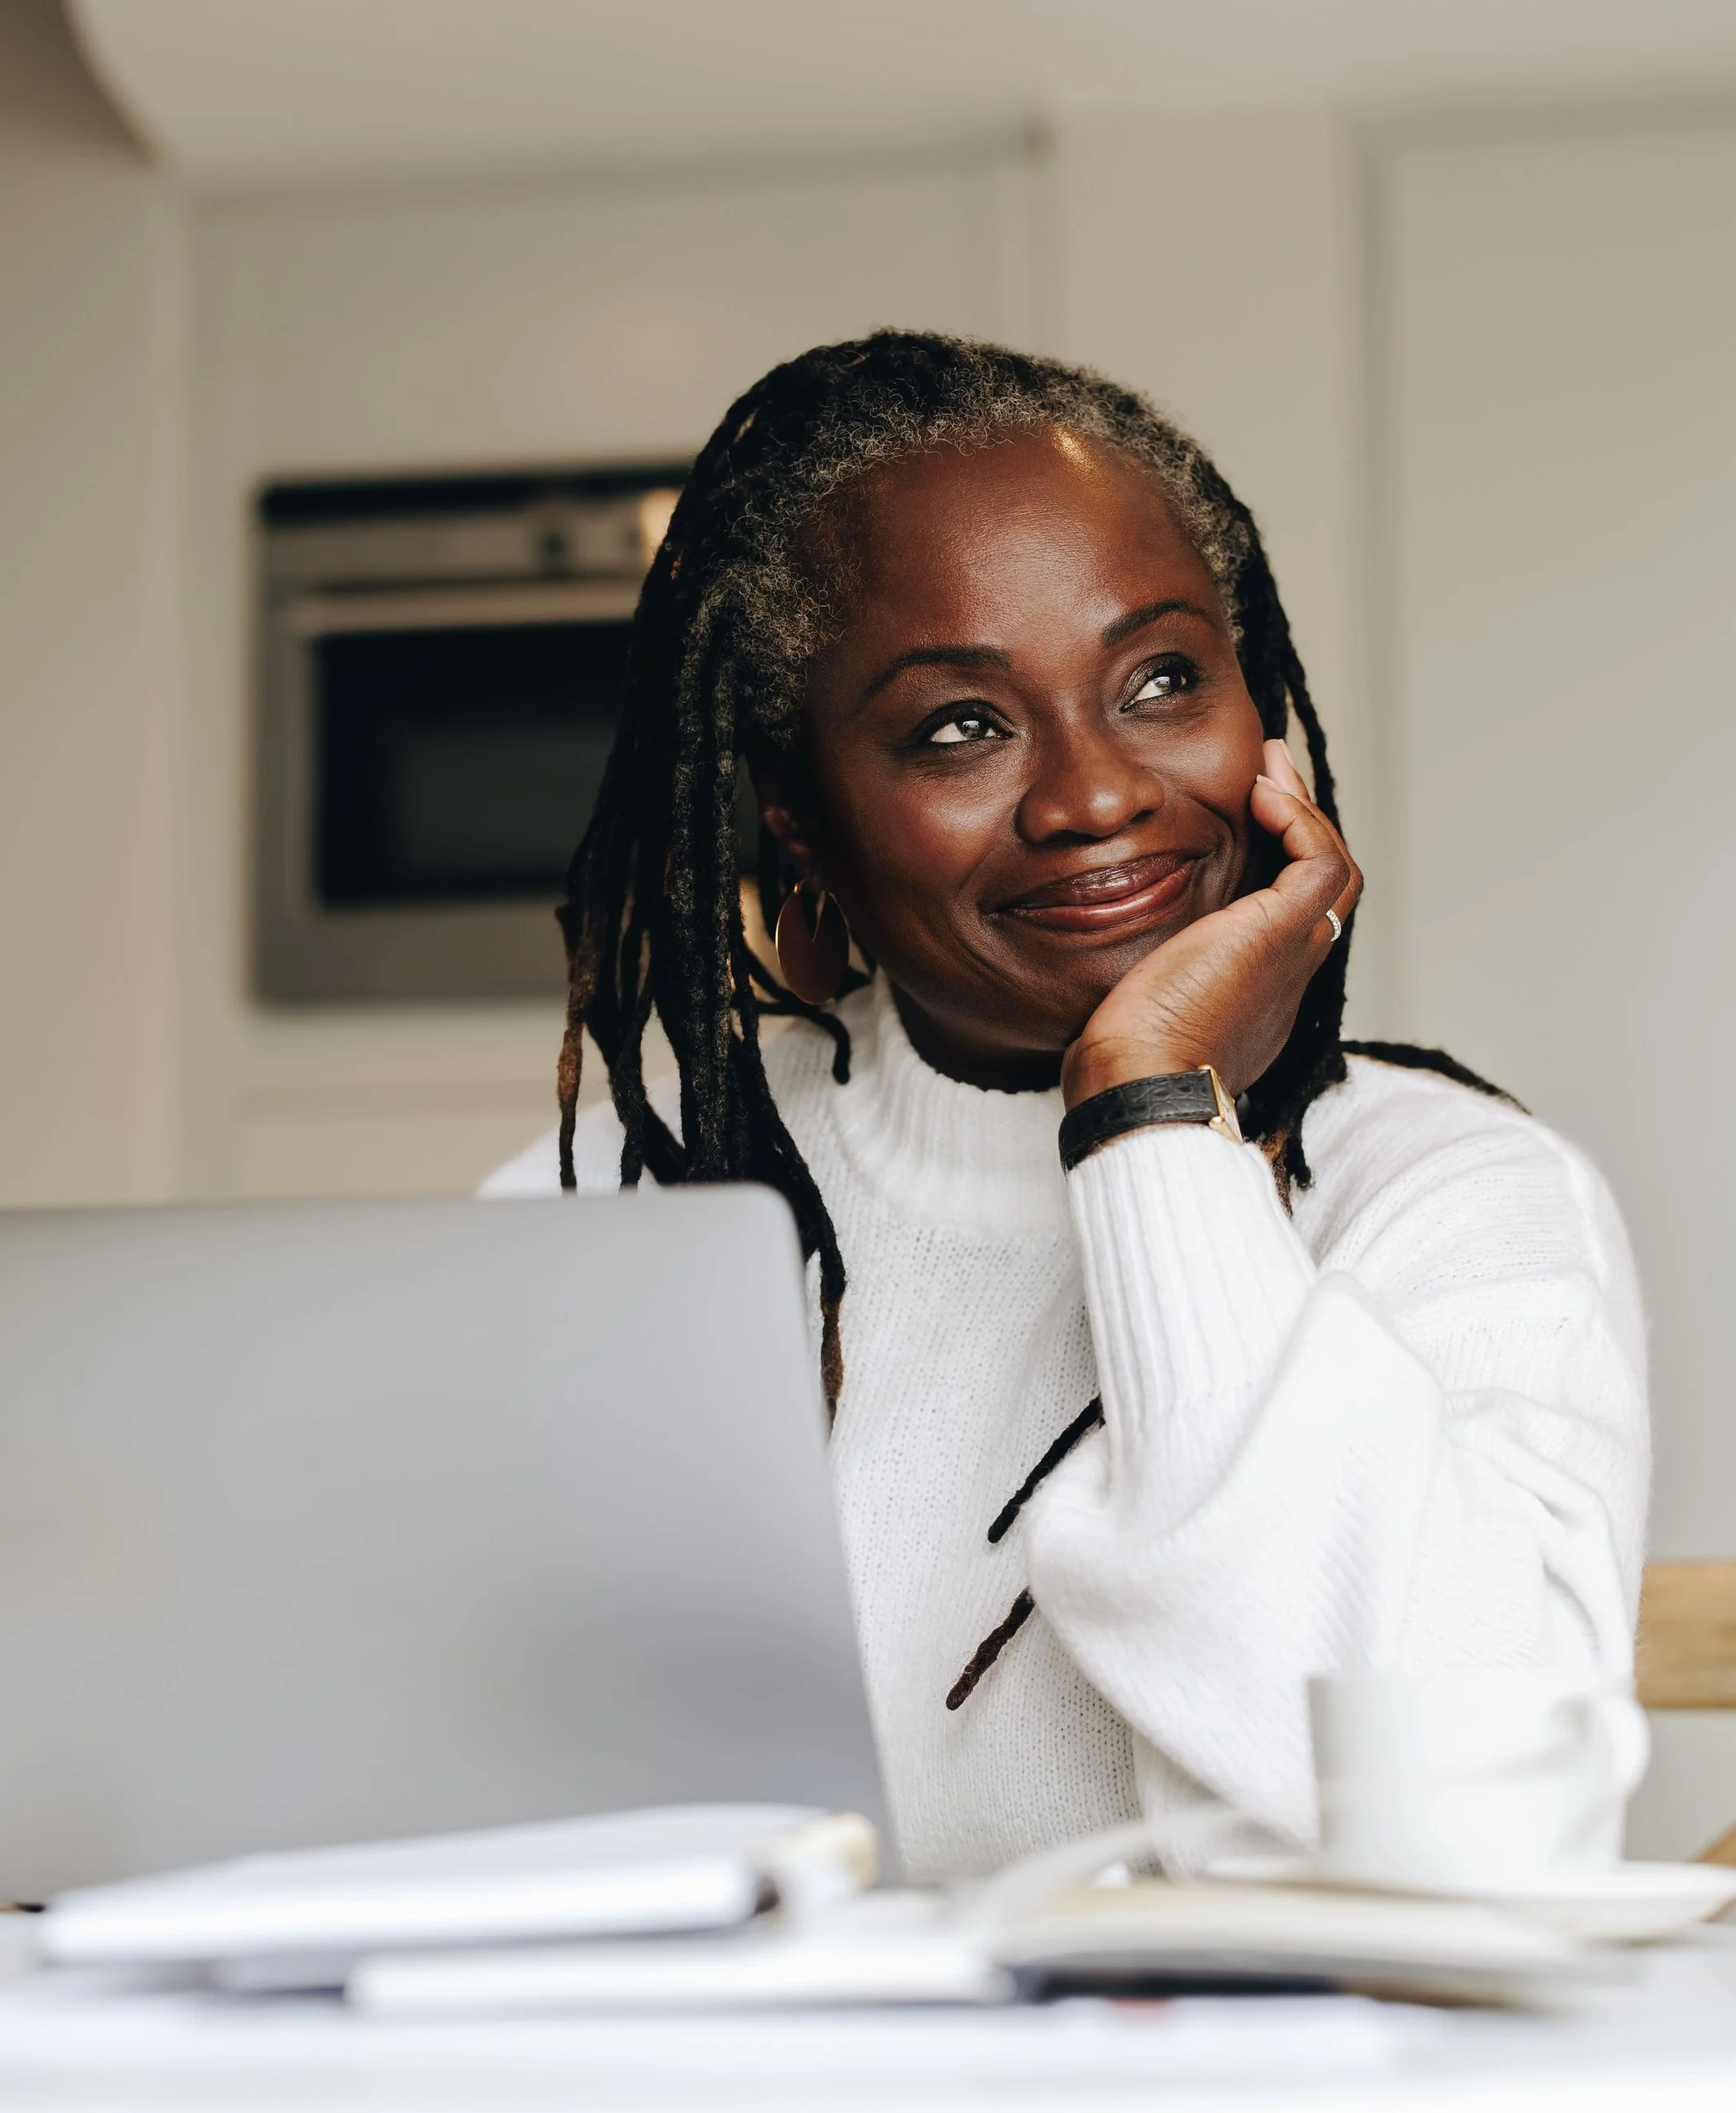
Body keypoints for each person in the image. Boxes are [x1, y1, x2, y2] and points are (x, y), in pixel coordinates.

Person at [484, 332, 1648, 1884]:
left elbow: (1484, 1833)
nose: (1094, 795)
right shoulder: (619, 1204)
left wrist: (1154, 1123)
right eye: (960, 724)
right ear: (797, 812)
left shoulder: (1448, 1193)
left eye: (1162, 678)